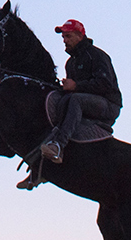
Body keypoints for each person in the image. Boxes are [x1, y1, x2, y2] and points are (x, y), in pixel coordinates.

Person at [17, 19, 122, 191]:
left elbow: (106, 84)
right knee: (61, 101)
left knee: (74, 100)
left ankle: (58, 145)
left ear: (80, 36)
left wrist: (76, 86)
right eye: (63, 36)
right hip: (84, 103)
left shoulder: (96, 55)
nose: (64, 40)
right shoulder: (70, 63)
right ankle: (40, 169)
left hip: (108, 105)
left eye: (68, 36)